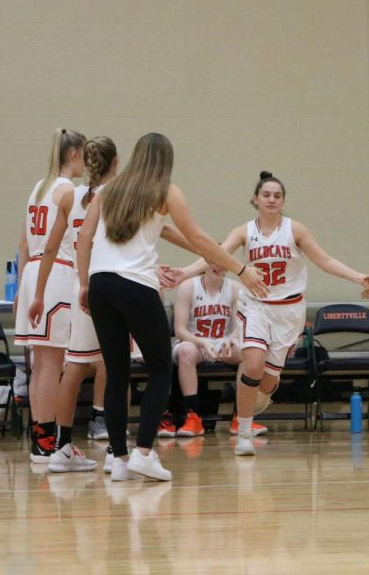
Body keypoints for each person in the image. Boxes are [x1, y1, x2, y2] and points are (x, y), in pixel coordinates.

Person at [76, 132, 267, 482]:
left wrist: (84, 284)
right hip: (136, 286)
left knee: (116, 374)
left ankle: (118, 459)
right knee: (161, 369)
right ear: (166, 161)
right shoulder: (164, 191)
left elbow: (85, 238)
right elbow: (197, 237)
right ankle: (144, 453)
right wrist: (240, 268)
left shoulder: (109, 191)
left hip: (102, 284)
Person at [171, 171, 369, 456]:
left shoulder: (295, 230)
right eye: (266, 195)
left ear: (283, 201)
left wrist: (358, 277)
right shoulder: (244, 231)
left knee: (268, 381)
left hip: (289, 313)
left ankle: (260, 398)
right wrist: (184, 272)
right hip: (255, 307)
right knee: (253, 364)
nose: (271, 199)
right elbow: (216, 254)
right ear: (255, 199)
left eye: (277, 195)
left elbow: (326, 260)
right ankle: (244, 433)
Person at [28, 136, 122, 472]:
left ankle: (59, 445)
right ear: (115, 163)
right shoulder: (114, 195)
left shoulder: (68, 195)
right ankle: (118, 448)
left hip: (75, 286)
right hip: (106, 283)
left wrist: (36, 293)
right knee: (115, 367)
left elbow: (48, 247)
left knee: (71, 367)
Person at [14, 128, 91, 466]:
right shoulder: (68, 192)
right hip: (56, 272)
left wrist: (21, 288)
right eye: (85, 154)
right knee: (52, 364)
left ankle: (40, 438)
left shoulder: (38, 188)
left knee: (41, 363)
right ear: (74, 155)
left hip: (33, 272)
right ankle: (48, 439)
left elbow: (22, 244)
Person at [163, 264, 248, 438]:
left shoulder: (235, 288)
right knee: (185, 351)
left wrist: (230, 341)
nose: (218, 266)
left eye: (221, 261)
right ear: (204, 264)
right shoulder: (188, 287)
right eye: (212, 261)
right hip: (194, 342)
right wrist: (202, 343)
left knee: (249, 353)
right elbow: (180, 330)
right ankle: (192, 416)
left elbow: (238, 327)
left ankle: (241, 417)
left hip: (223, 343)